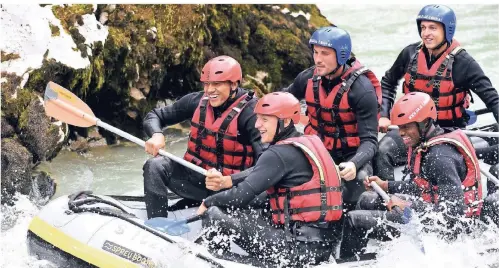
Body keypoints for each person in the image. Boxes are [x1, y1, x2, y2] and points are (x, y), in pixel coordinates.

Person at [196, 92, 343, 267]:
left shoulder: (277, 154)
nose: (258, 125)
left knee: (215, 213)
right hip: (322, 250)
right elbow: (266, 184)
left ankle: (210, 260)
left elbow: (240, 196)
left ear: (285, 121)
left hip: (293, 252)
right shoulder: (310, 143)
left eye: (265, 120)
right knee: (253, 209)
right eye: (257, 119)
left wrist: (208, 202)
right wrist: (231, 184)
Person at [342, 92, 483, 256]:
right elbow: (424, 188)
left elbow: (452, 215)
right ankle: (364, 256)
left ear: (424, 123)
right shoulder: (426, 145)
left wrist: (407, 207)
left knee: (353, 220)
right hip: (426, 216)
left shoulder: (440, 158)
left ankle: (349, 262)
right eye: (400, 127)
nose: (401, 133)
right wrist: (386, 185)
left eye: (407, 127)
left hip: (442, 234)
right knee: (366, 199)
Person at [375, 4, 499, 181]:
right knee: (382, 150)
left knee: (437, 159)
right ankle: (391, 202)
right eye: (423, 28)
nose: (426, 33)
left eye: (433, 28)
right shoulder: (410, 54)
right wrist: (384, 114)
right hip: (410, 128)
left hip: (447, 130)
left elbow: (493, 100)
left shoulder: (464, 63)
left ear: (447, 30)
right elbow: (388, 82)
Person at [141, 55, 265, 219]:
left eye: (216, 84)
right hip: (196, 181)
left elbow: (267, 165)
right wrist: (156, 134)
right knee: (155, 165)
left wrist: (229, 180)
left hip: (232, 188)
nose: (209, 90)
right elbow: (155, 115)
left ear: (234, 84)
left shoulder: (252, 114)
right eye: (206, 84)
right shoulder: (196, 101)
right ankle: (157, 225)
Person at [282, 26, 382, 210]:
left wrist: (354, 163)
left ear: (341, 55)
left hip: (350, 156)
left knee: (359, 181)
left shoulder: (361, 89)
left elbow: (370, 141)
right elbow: (281, 101)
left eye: (325, 54)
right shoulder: (307, 79)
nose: (318, 59)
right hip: (317, 150)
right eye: (316, 52)